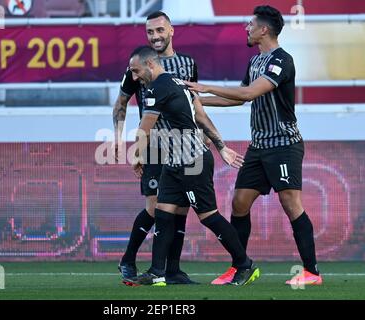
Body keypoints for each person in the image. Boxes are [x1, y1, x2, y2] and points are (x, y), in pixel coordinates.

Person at [185, 5, 323, 286]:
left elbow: (249, 92)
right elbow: (240, 98)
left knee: (290, 202)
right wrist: (196, 101)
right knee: (239, 202)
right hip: (259, 146)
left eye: (250, 24)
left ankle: (312, 272)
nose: (246, 29)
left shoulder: (282, 60)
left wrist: (206, 87)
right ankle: (241, 267)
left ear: (264, 30)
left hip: (284, 143)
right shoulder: (255, 62)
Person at [127, 45, 259, 286]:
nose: (135, 78)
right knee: (164, 213)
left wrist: (137, 156)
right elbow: (201, 116)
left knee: (209, 216)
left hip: (192, 162)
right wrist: (220, 146)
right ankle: (158, 272)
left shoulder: (157, 88)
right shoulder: (180, 84)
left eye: (136, 71)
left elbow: (146, 126)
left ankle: (245, 264)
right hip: (175, 163)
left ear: (150, 64)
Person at [113, 11, 201, 285]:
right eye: (150, 32)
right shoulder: (137, 65)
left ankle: (173, 270)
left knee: (181, 207)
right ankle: (128, 258)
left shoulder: (187, 63)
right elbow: (121, 103)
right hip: (154, 146)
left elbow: (194, 101)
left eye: (159, 30)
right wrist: (119, 139)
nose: (155, 36)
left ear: (171, 30)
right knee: (154, 209)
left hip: (185, 146)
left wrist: (205, 136)